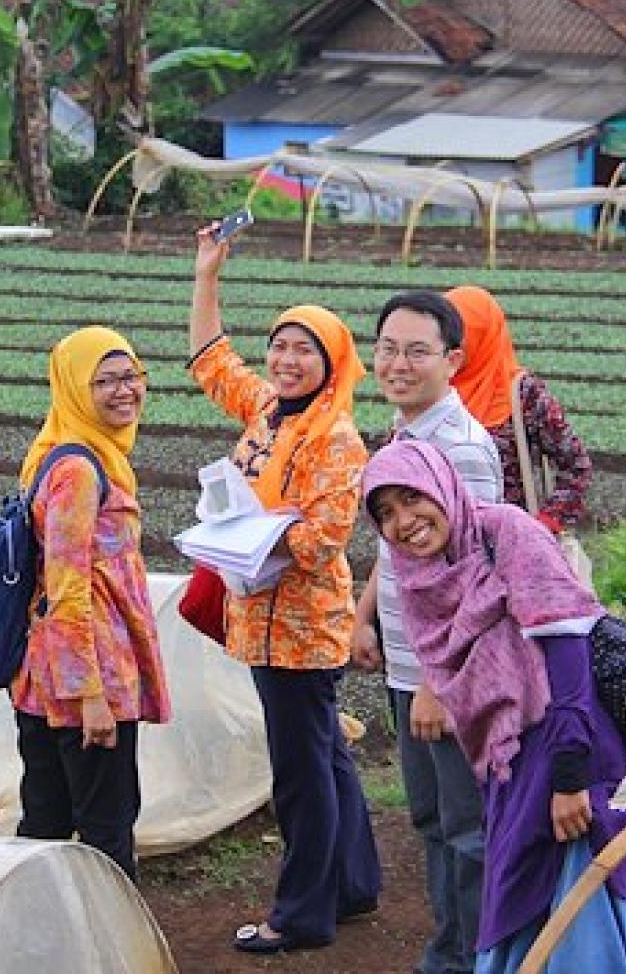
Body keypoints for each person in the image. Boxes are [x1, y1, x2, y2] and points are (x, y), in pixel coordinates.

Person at [363, 439, 626, 974]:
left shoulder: (506, 533)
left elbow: (569, 662)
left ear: (440, 485)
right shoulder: (420, 576)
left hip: (569, 749)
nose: (405, 521)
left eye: (411, 497)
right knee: (519, 898)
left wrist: (570, 779)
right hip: (509, 763)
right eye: (386, 513)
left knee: (573, 913)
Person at [188, 224, 382, 954]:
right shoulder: (269, 408)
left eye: (305, 349)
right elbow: (212, 362)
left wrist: (242, 534)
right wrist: (208, 275)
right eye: (282, 345)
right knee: (325, 754)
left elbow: (322, 538)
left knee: (301, 773)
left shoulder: (337, 437)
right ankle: (355, 886)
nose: (288, 359)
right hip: (262, 616)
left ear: (333, 362)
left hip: (300, 628)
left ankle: (301, 915)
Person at [352, 290, 501, 974]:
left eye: (417, 351)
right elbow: (402, 547)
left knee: (468, 830)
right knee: (434, 822)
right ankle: (450, 952)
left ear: (453, 361)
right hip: (411, 671)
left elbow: (478, 575)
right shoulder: (407, 434)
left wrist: (442, 682)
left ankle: (473, 960)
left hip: (449, 679)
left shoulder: (461, 449)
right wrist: (364, 614)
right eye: (387, 348)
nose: (398, 363)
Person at [12, 326, 172, 882]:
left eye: (131, 376)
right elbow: (67, 587)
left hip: (46, 677)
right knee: (105, 831)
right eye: (104, 381)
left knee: (46, 825)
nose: (124, 390)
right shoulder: (78, 471)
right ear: (77, 389)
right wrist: (89, 696)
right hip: (85, 679)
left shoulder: (66, 453)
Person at [446, 285, 593, 533]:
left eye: (456, 335)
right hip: (436, 551)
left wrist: (544, 525)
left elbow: (576, 466)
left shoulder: (522, 393)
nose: (447, 345)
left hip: (507, 548)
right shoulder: (427, 390)